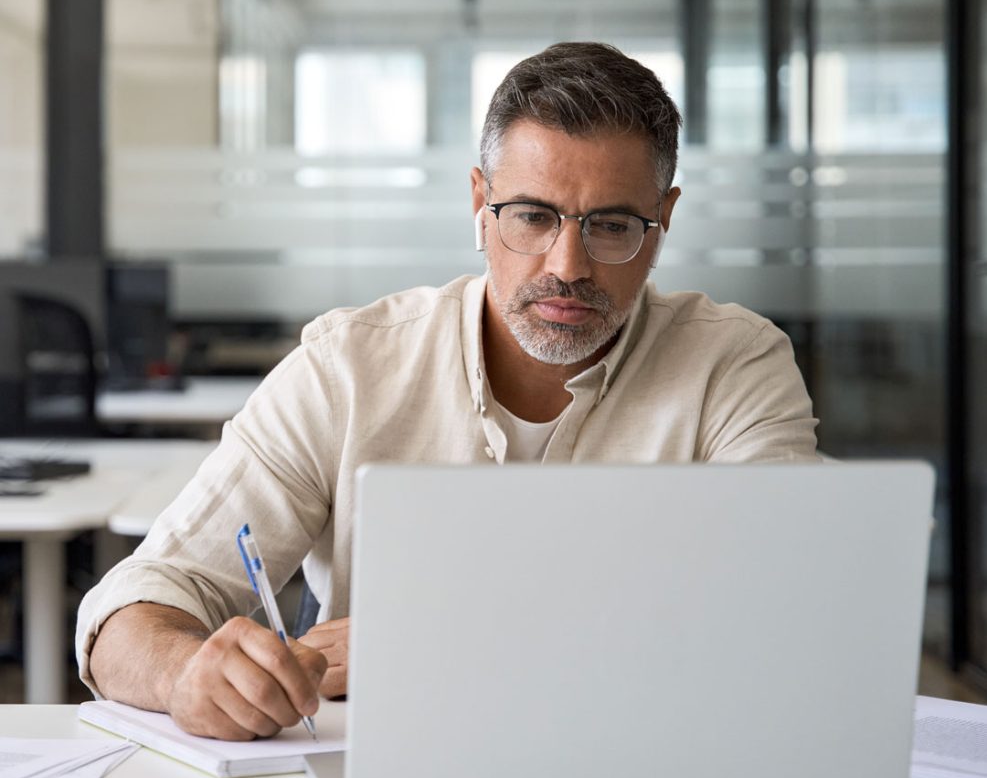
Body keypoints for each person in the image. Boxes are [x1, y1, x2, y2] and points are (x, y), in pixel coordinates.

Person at [77, 42, 818, 740]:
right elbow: (135, 605)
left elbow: (787, 608)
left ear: (662, 223)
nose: (567, 264)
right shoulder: (349, 367)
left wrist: (433, 637)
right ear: (479, 202)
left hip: (647, 757)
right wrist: (185, 674)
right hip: (385, 765)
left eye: (612, 225)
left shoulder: (733, 365)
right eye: (531, 216)